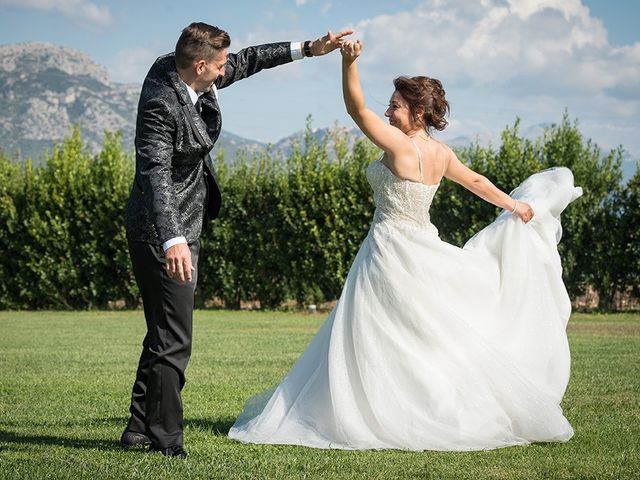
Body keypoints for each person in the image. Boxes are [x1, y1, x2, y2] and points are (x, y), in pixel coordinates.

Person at [228, 38, 582, 450]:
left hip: (387, 249)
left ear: (417, 112)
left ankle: (380, 412)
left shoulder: (399, 144)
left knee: (376, 333)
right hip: (420, 246)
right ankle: (416, 407)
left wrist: (350, 63)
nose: (387, 110)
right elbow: (477, 183)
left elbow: (356, 109)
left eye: (395, 105)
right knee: (416, 334)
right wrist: (516, 206)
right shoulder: (442, 153)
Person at [121, 22, 352, 458]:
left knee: (162, 333)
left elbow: (249, 61)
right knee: (175, 339)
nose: (229, 68)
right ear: (201, 65)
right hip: (161, 230)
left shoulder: (192, 69)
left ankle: (138, 429)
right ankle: (166, 440)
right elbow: (154, 175)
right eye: (220, 64)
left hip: (185, 222)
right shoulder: (159, 104)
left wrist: (309, 48)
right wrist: (172, 239)